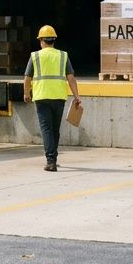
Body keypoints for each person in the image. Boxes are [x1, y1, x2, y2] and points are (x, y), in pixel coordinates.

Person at [22, 24, 81, 171]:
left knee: (47, 129)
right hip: (59, 97)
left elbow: (27, 78)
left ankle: (50, 161)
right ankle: (53, 158)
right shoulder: (63, 55)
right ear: (53, 40)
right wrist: (76, 96)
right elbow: (71, 78)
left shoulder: (35, 56)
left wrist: (26, 93)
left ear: (41, 40)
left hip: (42, 97)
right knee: (55, 129)